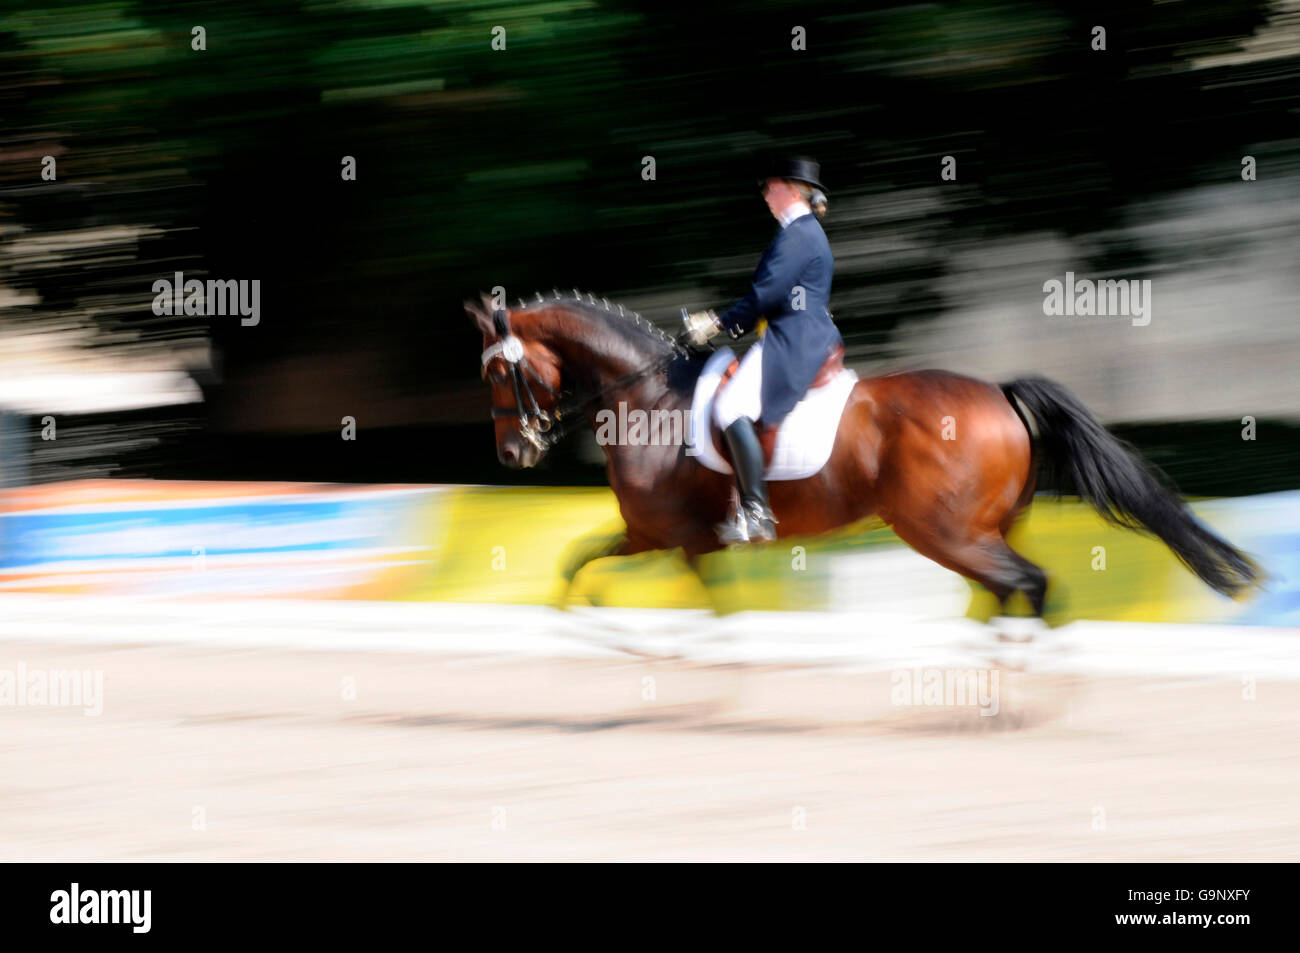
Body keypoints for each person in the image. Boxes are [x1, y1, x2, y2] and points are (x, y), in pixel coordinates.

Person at [683, 157, 843, 543]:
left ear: (790, 188)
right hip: (794, 331)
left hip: (794, 338)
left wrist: (718, 323)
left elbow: (767, 294)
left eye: (769, 188)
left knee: (729, 406)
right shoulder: (799, 232)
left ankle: (756, 512)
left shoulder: (799, 234)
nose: (765, 196)